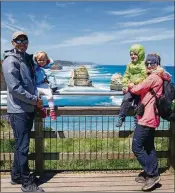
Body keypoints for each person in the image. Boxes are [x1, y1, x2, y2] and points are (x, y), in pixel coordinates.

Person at [2, 31, 44, 192]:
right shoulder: (10, 61)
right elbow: (15, 88)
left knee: (20, 145)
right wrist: (35, 100)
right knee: (23, 147)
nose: (22, 43)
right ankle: (27, 184)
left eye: (25, 40)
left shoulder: (26, 59)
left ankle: (16, 176)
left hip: (27, 108)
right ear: (13, 43)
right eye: (18, 41)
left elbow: (42, 67)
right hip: (19, 111)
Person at [128, 53, 171, 191]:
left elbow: (137, 89)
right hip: (153, 117)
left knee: (136, 147)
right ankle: (151, 172)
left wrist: (129, 85)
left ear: (156, 65)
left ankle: (152, 174)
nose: (148, 66)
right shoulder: (159, 76)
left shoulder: (153, 77)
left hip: (147, 119)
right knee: (149, 147)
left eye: (151, 64)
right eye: (147, 63)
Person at [116, 44, 147, 127]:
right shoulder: (129, 65)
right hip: (130, 88)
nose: (133, 56)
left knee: (138, 105)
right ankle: (121, 117)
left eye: (135, 54)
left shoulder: (144, 65)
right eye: (131, 54)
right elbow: (126, 75)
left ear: (140, 54)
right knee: (126, 100)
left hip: (139, 89)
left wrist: (135, 83)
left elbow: (144, 76)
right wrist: (125, 85)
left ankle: (137, 122)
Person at [33, 51, 57, 120]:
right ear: (36, 60)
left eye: (43, 60)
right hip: (36, 86)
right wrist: (35, 56)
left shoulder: (47, 67)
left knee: (50, 95)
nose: (41, 61)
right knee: (36, 98)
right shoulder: (35, 67)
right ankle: (42, 109)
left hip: (44, 84)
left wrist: (53, 86)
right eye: (39, 60)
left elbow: (51, 77)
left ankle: (52, 111)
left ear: (47, 60)